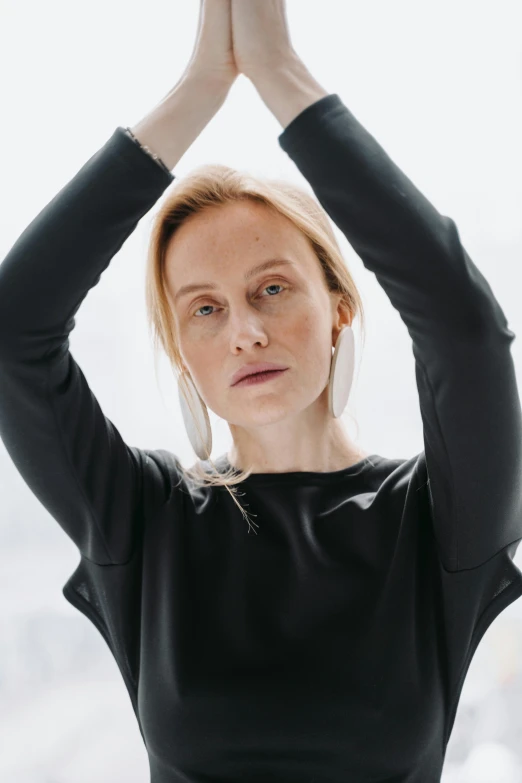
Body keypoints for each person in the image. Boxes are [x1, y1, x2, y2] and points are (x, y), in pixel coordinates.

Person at [0, 1, 521, 781]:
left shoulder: (438, 519)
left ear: (339, 307)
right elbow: (15, 331)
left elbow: (466, 331)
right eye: (204, 309)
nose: (243, 329)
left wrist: (279, 75)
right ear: (183, 350)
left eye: (272, 288)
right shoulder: (143, 520)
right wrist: (199, 87)